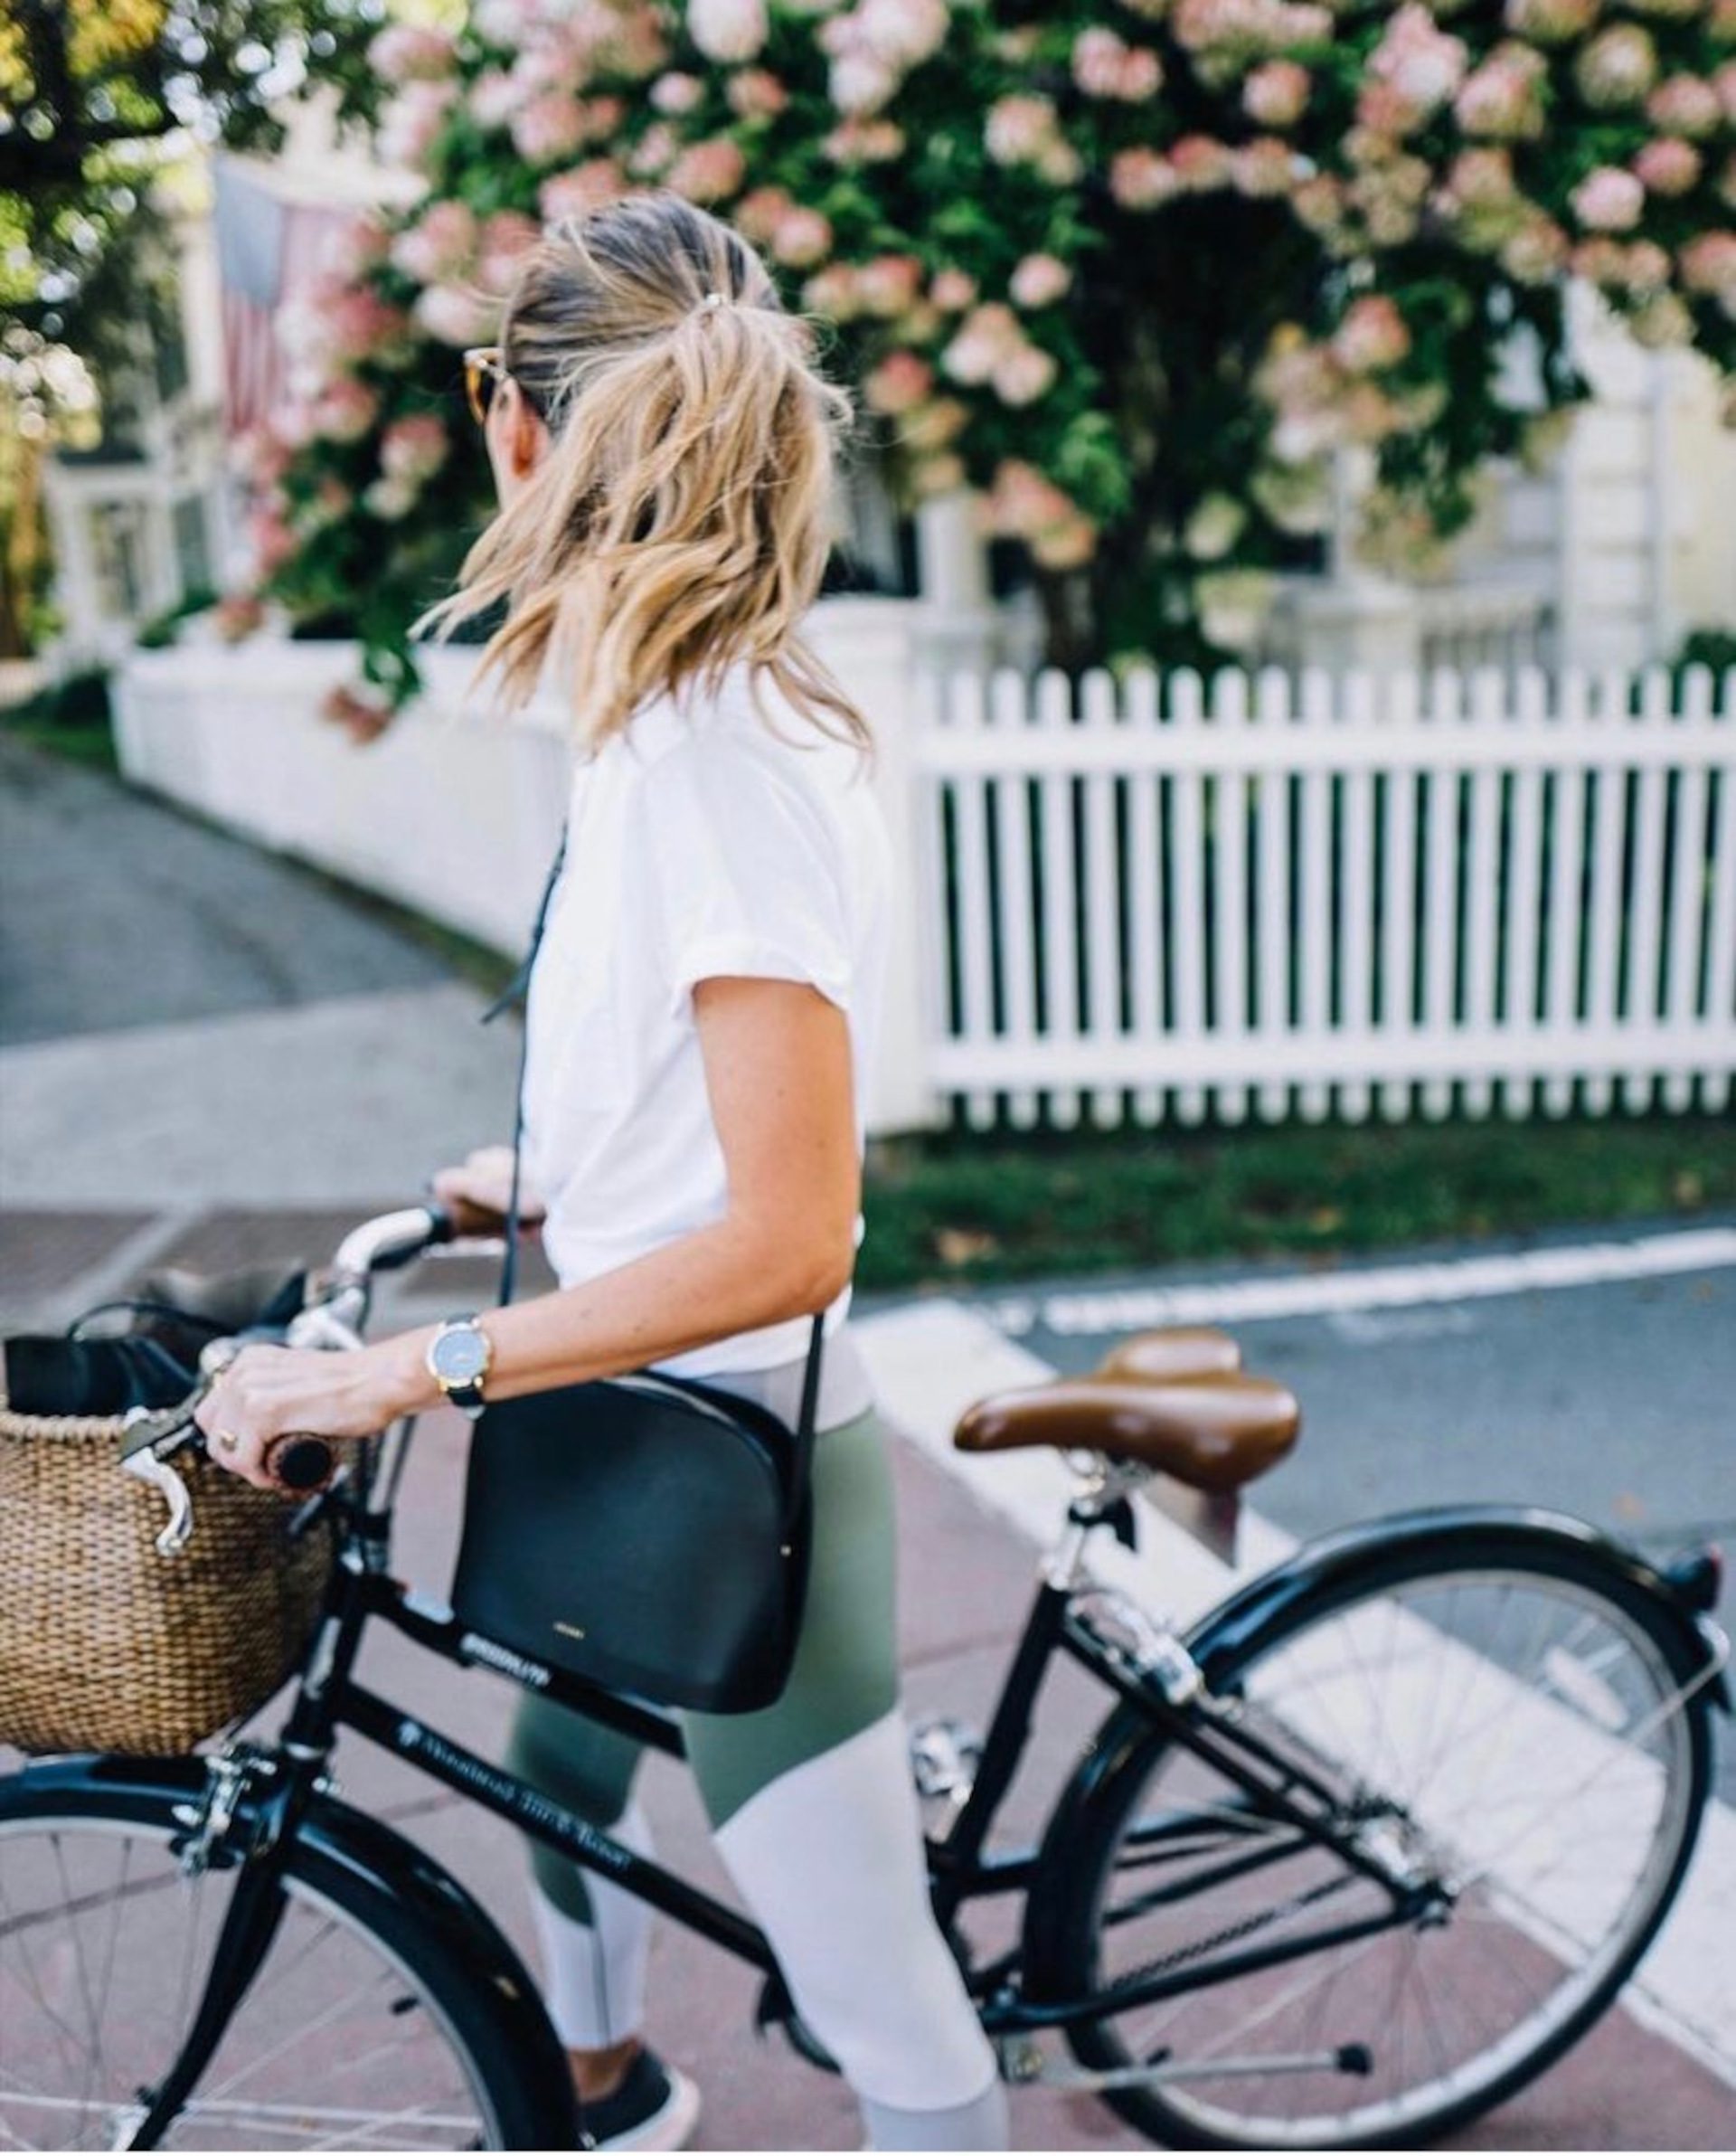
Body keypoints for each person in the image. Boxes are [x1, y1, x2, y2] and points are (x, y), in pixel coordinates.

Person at [193, 190, 1009, 2155]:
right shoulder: (672, 719)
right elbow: (698, 1091)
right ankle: (599, 2084)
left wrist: (392, 1372)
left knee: (888, 2011)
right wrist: (554, 1174)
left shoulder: (717, 756)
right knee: (559, 1753)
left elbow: (796, 1227)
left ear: (515, 421)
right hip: (625, 1411)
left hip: (733, 1466)